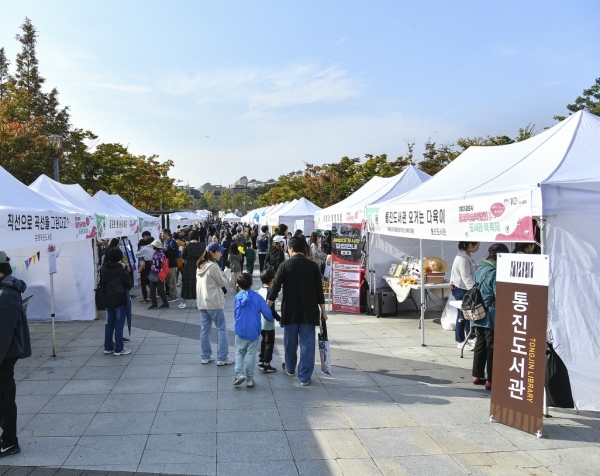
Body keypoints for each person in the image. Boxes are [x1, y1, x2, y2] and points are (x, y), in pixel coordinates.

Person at [267, 236, 327, 386]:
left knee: (290, 341)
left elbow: (275, 288)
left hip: (290, 310)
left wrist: (267, 305)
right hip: (309, 310)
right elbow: (319, 291)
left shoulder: (284, 265)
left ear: (291, 249)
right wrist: (324, 311)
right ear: (304, 249)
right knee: (307, 343)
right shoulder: (312, 266)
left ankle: (290, 368)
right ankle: (305, 376)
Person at [0, 250, 31, 458]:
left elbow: (4, 330)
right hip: (5, 351)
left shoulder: (7, 292)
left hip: (4, 353)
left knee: (5, 398)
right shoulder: (6, 289)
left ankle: (10, 440)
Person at [471, 243, 509, 391]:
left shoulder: (480, 269)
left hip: (478, 312)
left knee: (480, 344)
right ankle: (491, 380)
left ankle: (477, 375)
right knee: (492, 348)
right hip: (491, 315)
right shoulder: (495, 272)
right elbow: (498, 294)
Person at [232, 273, 275, 387]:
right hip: (253, 331)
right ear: (252, 283)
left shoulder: (238, 297)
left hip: (240, 330)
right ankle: (250, 379)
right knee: (251, 354)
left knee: (239, 352)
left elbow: (235, 313)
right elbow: (266, 312)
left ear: (239, 285)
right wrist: (271, 319)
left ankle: (239, 374)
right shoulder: (257, 297)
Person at [197, 242, 234, 366]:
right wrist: (227, 273)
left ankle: (205, 356)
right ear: (211, 253)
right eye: (218, 252)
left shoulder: (200, 265)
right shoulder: (213, 266)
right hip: (214, 302)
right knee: (222, 329)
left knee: (205, 330)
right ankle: (222, 358)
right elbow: (222, 282)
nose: (220, 254)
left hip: (203, 302)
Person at [102, 247, 134, 355]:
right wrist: (125, 269)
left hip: (108, 300)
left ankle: (108, 347)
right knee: (119, 324)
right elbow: (129, 284)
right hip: (120, 300)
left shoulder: (104, 268)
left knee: (110, 323)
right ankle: (119, 348)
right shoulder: (120, 269)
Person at [450, 241, 480, 351]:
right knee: (462, 316)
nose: (478, 248)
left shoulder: (465, 255)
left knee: (467, 315)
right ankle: (460, 340)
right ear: (470, 245)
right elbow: (466, 277)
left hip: (463, 288)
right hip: (462, 289)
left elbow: (468, 271)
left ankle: (470, 337)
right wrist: (474, 290)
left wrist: (478, 266)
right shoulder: (462, 258)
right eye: (477, 245)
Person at [257, 268, 280, 373]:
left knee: (264, 340)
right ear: (272, 280)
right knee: (269, 342)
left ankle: (261, 360)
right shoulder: (271, 292)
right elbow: (270, 309)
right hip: (268, 321)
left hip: (260, 321)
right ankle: (267, 364)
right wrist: (279, 318)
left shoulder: (260, 290)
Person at [179, 230, 205, 309]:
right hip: (198, 265)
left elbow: (183, 255)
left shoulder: (187, 244)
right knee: (198, 282)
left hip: (188, 265)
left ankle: (184, 302)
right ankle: (198, 302)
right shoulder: (201, 245)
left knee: (186, 282)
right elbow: (203, 255)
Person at [148, 239, 169, 310]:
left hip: (159, 273)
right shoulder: (156, 252)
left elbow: (164, 263)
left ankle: (165, 303)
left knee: (160, 289)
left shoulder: (160, 253)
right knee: (152, 288)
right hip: (154, 272)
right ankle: (154, 303)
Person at [161, 229, 179, 302]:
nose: (161, 235)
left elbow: (175, 252)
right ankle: (171, 294)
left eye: (162, 234)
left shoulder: (172, 242)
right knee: (169, 281)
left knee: (172, 281)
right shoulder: (164, 242)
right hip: (166, 265)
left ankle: (173, 296)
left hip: (172, 264)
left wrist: (166, 250)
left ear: (166, 234)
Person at [136, 238, 155, 303]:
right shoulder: (154, 248)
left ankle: (145, 298)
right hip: (152, 265)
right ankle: (152, 297)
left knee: (143, 284)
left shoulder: (143, 248)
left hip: (145, 265)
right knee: (151, 283)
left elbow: (137, 255)